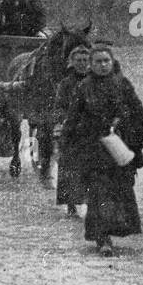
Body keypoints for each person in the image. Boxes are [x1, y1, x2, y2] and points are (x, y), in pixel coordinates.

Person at [61, 42, 143, 255]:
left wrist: (131, 132)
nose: (103, 65)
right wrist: (71, 140)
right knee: (99, 193)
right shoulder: (84, 87)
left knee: (120, 190)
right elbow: (73, 117)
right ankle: (102, 239)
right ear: (91, 65)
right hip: (94, 148)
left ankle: (113, 232)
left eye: (106, 61)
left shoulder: (123, 84)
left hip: (120, 146)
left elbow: (138, 110)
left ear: (112, 62)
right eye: (98, 62)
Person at [54, 44, 92, 216]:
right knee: (68, 165)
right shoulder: (65, 83)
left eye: (85, 60)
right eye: (79, 60)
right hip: (72, 129)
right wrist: (67, 120)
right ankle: (70, 204)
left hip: (92, 128)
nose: (82, 64)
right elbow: (59, 107)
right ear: (72, 62)